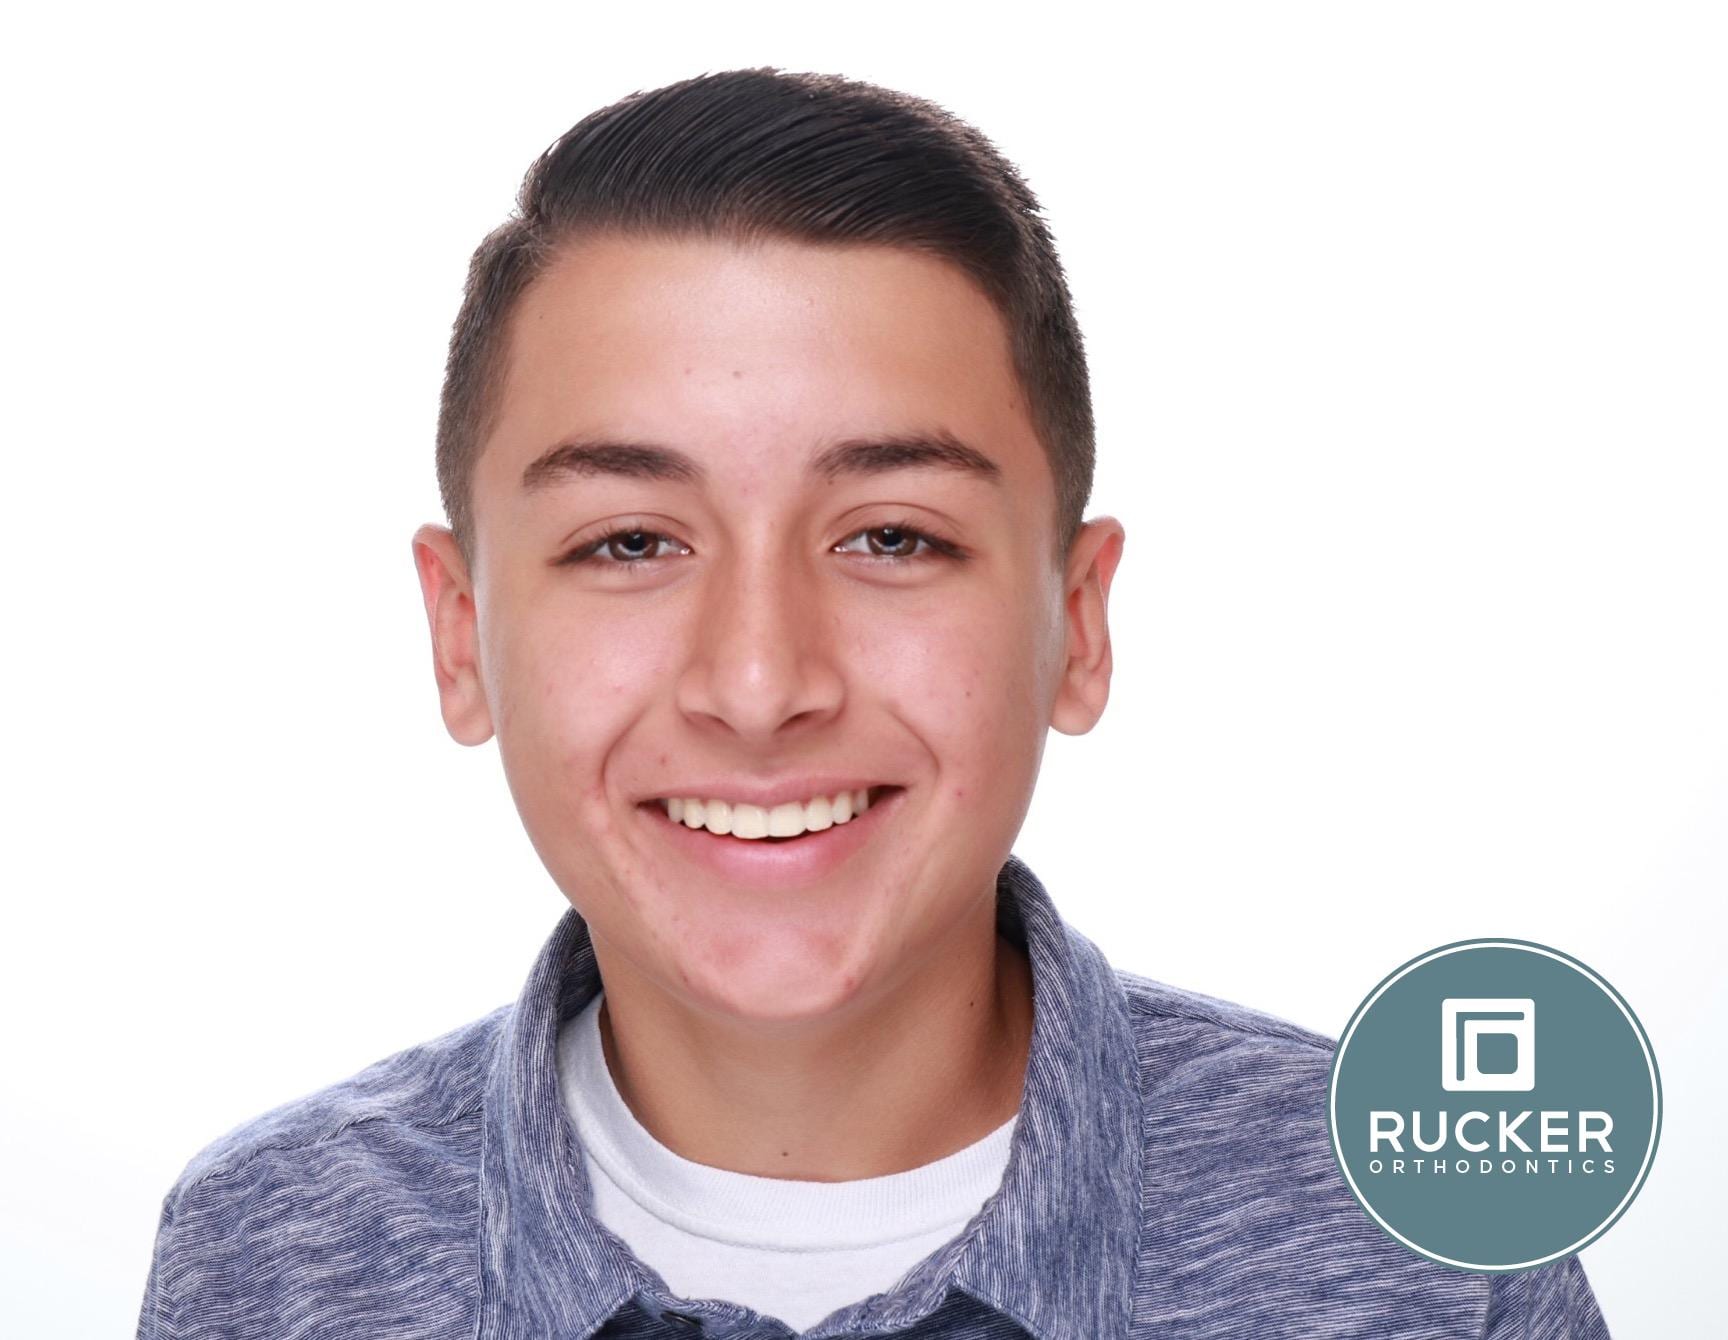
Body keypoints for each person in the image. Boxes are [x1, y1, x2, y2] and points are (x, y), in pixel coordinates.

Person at [136, 67, 1610, 1338]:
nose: (760, 683)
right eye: (631, 543)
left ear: (1076, 622)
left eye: (892, 537)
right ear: (461, 637)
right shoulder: (268, 1261)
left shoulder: (1425, 1246)